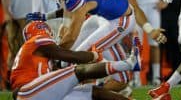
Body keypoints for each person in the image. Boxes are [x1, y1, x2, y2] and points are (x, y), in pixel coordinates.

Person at [11, 20, 139, 100]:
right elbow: (71, 56)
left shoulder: (35, 53)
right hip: (29, 92)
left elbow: (63, 75)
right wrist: (93, 55)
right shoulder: (37, 42)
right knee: (78, 71)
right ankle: (128, 63)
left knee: (93, 92)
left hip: (41, 93)